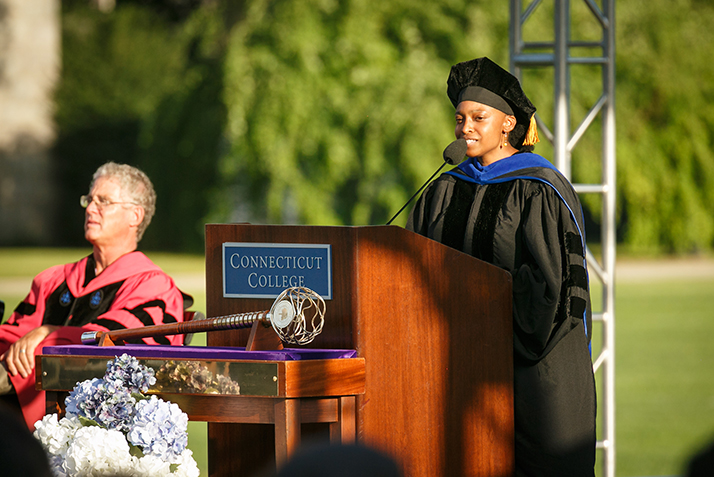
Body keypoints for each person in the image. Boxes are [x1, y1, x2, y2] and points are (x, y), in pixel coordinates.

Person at [406, 57, 596, 476]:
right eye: (460, 118)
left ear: (508, 124)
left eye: (478, 117)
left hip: (537, 364)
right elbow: (412, 273)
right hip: (458, 361)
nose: (465, 128)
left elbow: (554, 286)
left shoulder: (539, 188)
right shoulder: (443, 189)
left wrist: (485, 319)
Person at [0, 162, 191, 430]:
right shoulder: (54, 280)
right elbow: (12, 336)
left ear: (134, 216)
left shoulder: (153, 287)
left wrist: (49, 333)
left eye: (103, 201)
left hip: (95, 422)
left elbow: (117, 346)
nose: (90, 208)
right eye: (89, 200)